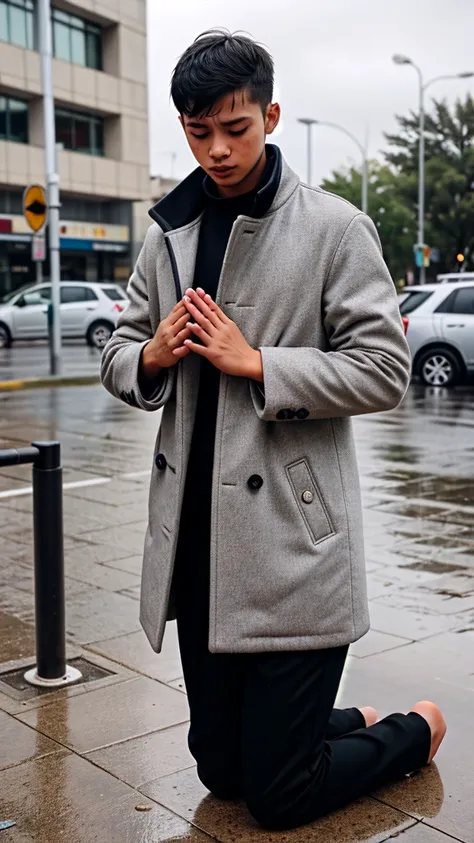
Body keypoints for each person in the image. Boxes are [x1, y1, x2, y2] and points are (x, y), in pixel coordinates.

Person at [101, 29, 446, 830]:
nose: (217, 150)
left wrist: (259, 363)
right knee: (223, 775)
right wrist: (152, 352)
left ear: (271, 115)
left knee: (279, 799)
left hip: (293, 544)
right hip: (199, 546)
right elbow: (120, 352)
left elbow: (384, 370)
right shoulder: (168, 235)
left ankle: (410, 729)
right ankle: (333, 724)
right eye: (198, 131)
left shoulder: (334, 228)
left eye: (236, 128)